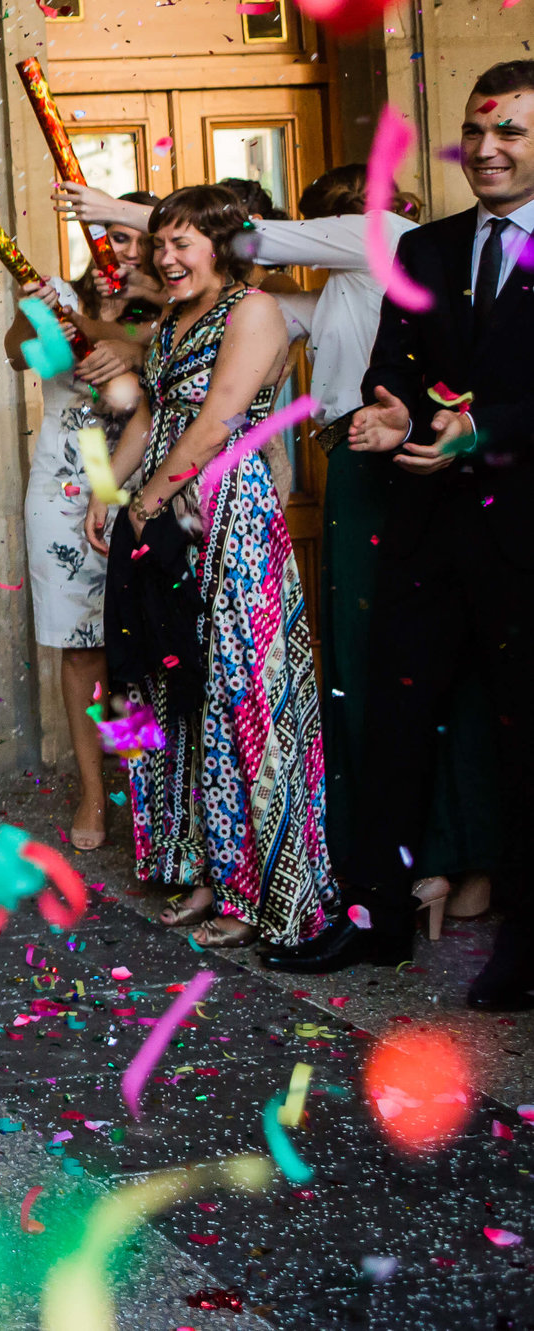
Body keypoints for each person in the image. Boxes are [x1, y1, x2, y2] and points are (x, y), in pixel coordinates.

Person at [267, 62, 534, 988]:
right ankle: (371, 915)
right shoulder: (425, 249)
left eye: (512, 135)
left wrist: (484, 430)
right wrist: (386, 421)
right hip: (423, 528)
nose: (489, 150)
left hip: (523, 536)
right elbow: (397, 373)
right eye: (477, 132)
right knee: (391, 723)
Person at [88, 186, 331, 950]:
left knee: (236, 687)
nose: (165, 257)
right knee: (177, 684)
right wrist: (109, 491)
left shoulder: (254, 309)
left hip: (226, 512)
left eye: (181, 243)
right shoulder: (172, 318)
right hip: (165, 517)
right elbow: (157, 416)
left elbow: (220, 418)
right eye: (160, 245)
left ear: (223, 246)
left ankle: (258, 886)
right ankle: (201, 865)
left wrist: (150, 499)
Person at [4, 224, 158, 854]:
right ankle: (94, 791)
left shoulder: (171, 305)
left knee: (152, 643)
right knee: (79, 647)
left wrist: (96, 331)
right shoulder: (61, 294)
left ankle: (155, 791)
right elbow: (18, 352)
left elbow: (145, 349)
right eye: (105, 237)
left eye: (128, 239)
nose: (114, 251)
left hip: (152, 482)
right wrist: (38, 309)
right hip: (63, 492)